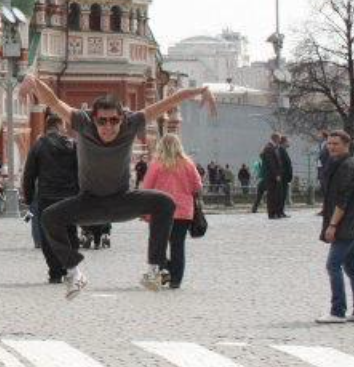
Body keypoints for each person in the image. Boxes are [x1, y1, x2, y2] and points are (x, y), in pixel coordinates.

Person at [22, 77, 215, 298]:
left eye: (114, 120)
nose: (108, 127)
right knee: (48, 216)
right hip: (89, 202)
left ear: (122, 118)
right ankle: (74, 273)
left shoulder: (132, 123)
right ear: (93, 119)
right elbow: (54, 102)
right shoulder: (82, 122)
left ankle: (154, 269)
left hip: (123, 200)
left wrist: (202, 89)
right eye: (102, 121)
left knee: (165, 203)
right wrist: (34, 81)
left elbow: (167, 102)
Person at [315, 130, 354, 323]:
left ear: (346, 145)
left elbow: (342, 201)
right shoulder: (337, 164)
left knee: (333, 265)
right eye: (329, 143)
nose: (331, 147)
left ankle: (337, 311)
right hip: (350, 224)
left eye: (335, 143)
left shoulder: (347, 167)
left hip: (346, 225)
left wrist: (332, 225)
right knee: (352, 266)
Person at [140, 133, 203, 289]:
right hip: (183, 212)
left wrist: (143, 210)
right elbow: (198, 186)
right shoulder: (188, 164)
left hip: (161, 211)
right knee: (178, 245)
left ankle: (164, 271)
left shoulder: (156, 164)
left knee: (157, 245)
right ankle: (176, 280)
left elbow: (147, 187)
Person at [22, 113, 79, 283]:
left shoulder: (39, 145)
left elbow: (29, 173)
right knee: (70, 232)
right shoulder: (72, 145)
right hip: (70, 197)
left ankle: (55, 271)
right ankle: (69, 267)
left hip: (47, 197)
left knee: (48, 235)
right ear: (60, 125)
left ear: (47, 127)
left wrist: (29, 196)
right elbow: (82, 171)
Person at [253, 134, 279, 216]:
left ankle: (255, 208)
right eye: (279, 139)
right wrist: (276, 174)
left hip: (265, 176)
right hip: (268, 176)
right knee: (271, 194)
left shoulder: (268, 148)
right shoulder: (269, 148)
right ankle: (271, 212)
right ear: (276, 139)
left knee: (261, 193)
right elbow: (271, 163)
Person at [276, 135, 294, 217]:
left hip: (285, 177)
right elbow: (283, 164)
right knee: (281, 195)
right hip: (283, 176)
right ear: (284, 142)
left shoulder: (283, 150)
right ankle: (279, 212)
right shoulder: (280, 150)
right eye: (288, 141)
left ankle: (281, 211)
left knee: (283, 195)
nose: (289, 143)